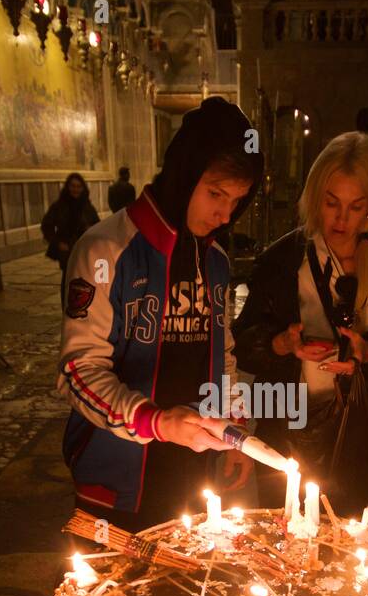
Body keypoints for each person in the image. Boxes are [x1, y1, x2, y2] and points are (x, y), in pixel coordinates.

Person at [56, 97, 264, 529]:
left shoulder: (216, 263)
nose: (225, 214)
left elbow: (222, 356)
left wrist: (237, 436)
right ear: (184, 173)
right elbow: (78, 371)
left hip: (191, 479)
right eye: (215, 194)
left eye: (238, 200)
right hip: (115, 479)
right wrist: (156, 421)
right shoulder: (105, 251)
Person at [232, 131, 368, 516]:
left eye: (356, 207)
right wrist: (283, 344)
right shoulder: (284, 260)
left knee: (346, 553)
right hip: (288, 431)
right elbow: (243, 344)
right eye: (331, 203)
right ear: (314, 199)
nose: (341, 219)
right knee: (285, 546)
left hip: (357, 437)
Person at [41, 173, 99, 306]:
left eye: (79, 186)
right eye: (73, 186)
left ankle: (82, 308)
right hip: (67, 251)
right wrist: (57, 243)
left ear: (83, 188)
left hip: (84, 251)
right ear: (68, 187)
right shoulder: (59, 205)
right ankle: (67, 308)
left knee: (84, 281)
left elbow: (97, 225)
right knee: (68, 281)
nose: (76, 189)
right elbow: (46, 225)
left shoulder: (87, 206)